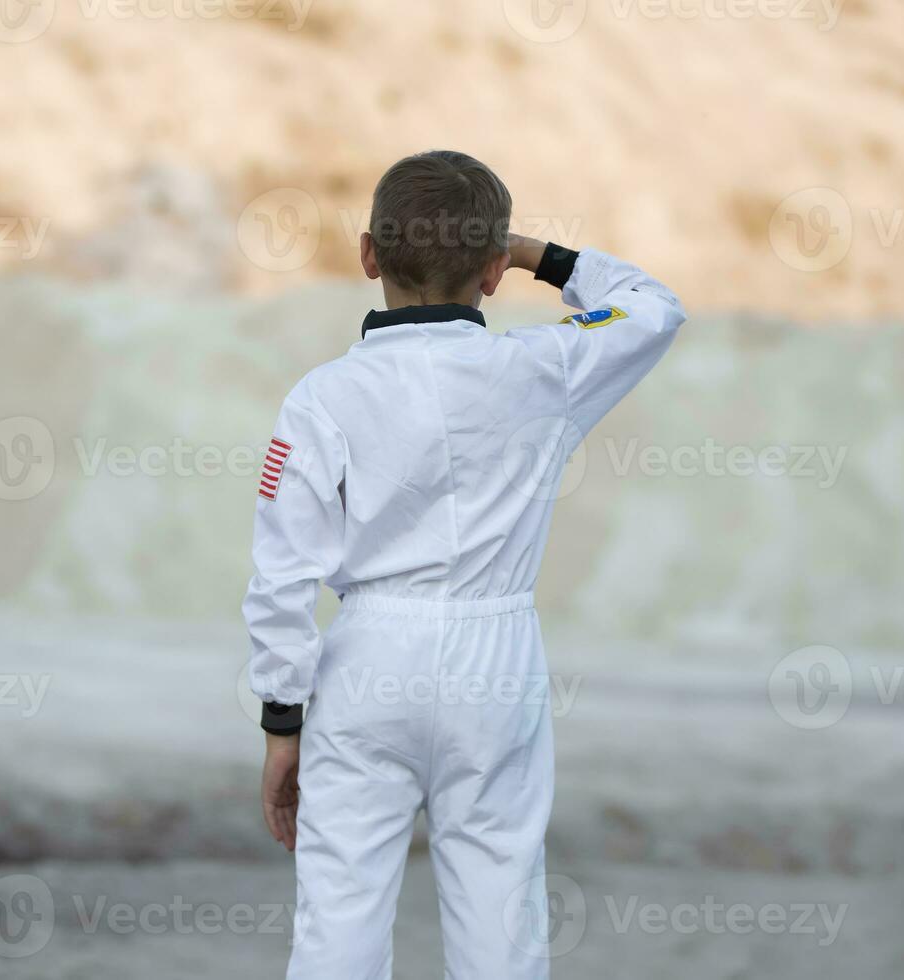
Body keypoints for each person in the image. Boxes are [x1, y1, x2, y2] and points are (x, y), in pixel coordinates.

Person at [242, 150, 686, 979]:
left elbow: (282, 578)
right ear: (490, 274)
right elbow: (652, 309)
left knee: (339, 910)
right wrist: (536, 256)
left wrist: (281, 722)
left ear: (369, 254)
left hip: (368, 657)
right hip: (496, 656)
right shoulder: (545, 367)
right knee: (500, 902)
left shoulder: (321, 396)